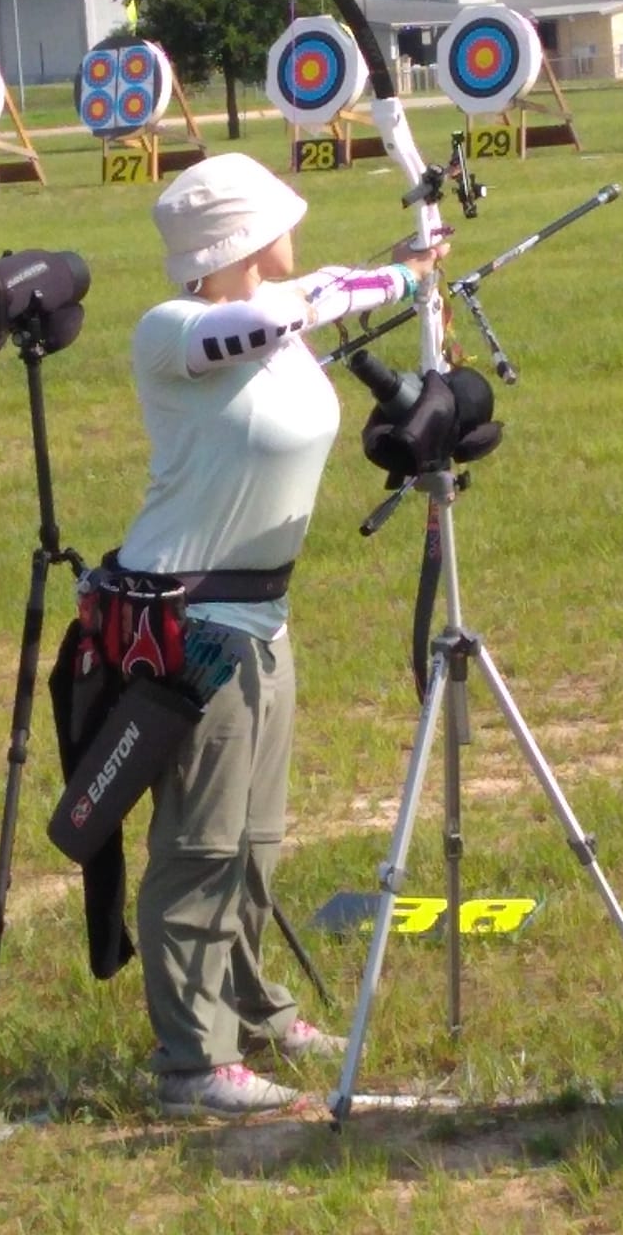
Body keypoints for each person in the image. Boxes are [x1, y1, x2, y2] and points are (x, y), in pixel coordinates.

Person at [115, 152, 446, 1118]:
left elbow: (308, 302)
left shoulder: (281, 322)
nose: (295, 232)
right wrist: (385, 282)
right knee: (200, 845)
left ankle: (254, 1013)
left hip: (262, 615)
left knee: (255, 840)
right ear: (248, 237)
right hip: (188, 621)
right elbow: (273, 316)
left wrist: (409, 277)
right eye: (278, 221)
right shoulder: (174, 330)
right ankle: (192, 1062)